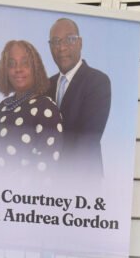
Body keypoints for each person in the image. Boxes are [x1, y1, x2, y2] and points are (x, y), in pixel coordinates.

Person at [0, 40, 63, 176]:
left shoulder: (46, 109)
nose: (18, 69)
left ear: (36, 69)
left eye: (25, 63)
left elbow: (45, 169)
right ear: (5, 71)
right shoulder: (3, 106)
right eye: (12, 64)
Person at [47, 17, 111, 177]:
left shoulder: (97, 81)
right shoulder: (45, 86)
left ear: (80, 43)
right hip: (46, 188)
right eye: (55, 41)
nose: (62, 47)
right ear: (50, 47)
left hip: (81, 183)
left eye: (69, 39)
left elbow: (88, 140)